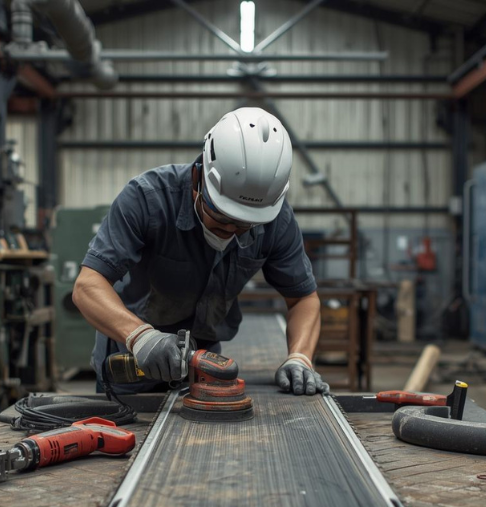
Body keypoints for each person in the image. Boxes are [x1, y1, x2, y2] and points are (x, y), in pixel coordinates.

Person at [73, 107, 328, 397]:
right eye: (222, 217)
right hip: (131, 362)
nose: (232, 230)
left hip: (203, 366)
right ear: (199, 179)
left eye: (245, 225)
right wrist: (141, 337)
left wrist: (300, 357)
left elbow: (303, 299)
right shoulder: (146, 199)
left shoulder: (276, 220)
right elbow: (87, 286)